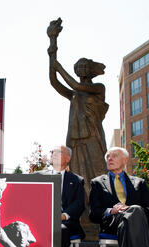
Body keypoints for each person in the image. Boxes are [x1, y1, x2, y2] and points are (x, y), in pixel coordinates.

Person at [47, 18, 108, 191]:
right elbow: (54, 81)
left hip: (92, 138)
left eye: (84, 65)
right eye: (78, 66)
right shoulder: (74, 94)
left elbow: (76, 85)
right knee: (77, 177)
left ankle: (98, 210)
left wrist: (58, 66)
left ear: (90, 69)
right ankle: (81, 213)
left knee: (98, 174)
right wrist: (53, 44)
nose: (81, 68)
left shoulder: (97, 88)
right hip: (75, 139)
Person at [38, 146, 85, 247]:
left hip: (66, 223)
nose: (53, 154)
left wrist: (63, 215)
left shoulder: (77, 180)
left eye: (58, 152)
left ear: (68, 158)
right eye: (52, 152)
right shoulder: (39, 177)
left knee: (61, 230)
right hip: (41, 221)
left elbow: (79, 204)